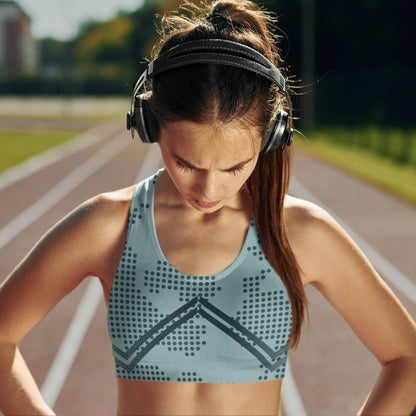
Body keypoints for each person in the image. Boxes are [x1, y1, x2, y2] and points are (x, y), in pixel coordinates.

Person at [1, 0, 416, 414]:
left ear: (273, 137)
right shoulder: (110, 226)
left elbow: (407, 359)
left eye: (235, 166)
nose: (208, 188)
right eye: (186, 163)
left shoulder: (301, 233)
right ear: (149, 125)